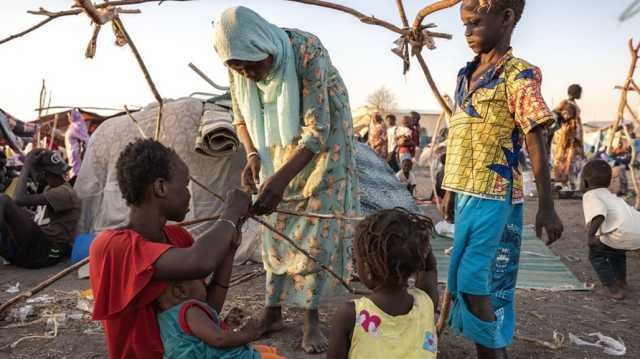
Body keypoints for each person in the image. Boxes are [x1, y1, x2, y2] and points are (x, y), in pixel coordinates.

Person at [213, 7, 360, 353]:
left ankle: (310, 319)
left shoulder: (307, 52)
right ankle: (272, 312)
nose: (247, 74)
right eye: (238, 67)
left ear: (265, 46)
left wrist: (278, 181)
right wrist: (251, 156)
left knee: (312, 229)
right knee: (276, 225)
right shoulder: (237, 66)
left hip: (323, 148)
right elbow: (240, 117)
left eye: (253, 64)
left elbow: (317, 130)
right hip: (275, 148)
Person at [441, 1, 564, 358]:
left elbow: (535, 140)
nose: (467, 33)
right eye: (464, 25)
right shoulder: (467, 75)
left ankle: (493, 352)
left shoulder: (519, 75)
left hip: (494, 194)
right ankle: (491, 348)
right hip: (465, 192)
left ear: (506, 18)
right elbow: (461, 134)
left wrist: (547, 207)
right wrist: (450, 188)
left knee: (474, 280)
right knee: (464, 279)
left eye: (475, 24)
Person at [89, 139, 252, 358]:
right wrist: (231, 213)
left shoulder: (178, 237)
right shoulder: (112, 246)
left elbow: (206, 308)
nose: (189, 194)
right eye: (185, 185)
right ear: (160, 187)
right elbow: (201, 262)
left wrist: (230, 250)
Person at [326, 209, 439, 359]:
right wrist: (417, 242)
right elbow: (430, 269)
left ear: (366, 267)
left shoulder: (350, 315)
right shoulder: (427, 302)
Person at [157, 278, 285, 359]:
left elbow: (203, 338)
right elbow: (218, 339)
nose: (205, 284)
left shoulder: (164, 319)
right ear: (181, 290)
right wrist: (248, 334)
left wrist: (227, 325)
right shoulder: (190, 309)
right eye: (201, 281)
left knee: (266, 350)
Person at [0, 149, 80, 269]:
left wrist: (26, 166)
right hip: (39, 248)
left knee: (3, 200)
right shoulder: (50, 188)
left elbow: (18, 200)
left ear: (42, 173)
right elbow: (38, 217)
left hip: (49, 250)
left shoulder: (63, 192)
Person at [581, 159, 640, 300]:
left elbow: (598, 215)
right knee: (616, 252)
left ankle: (613, 289)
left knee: (595, 255)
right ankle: (621, 281)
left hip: (619, 233)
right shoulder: (611, 195)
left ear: (585, 182)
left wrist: (590, 237)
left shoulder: (590, 195)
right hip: (636, 229)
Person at [551, 84, 585, 187]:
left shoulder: (571, 103)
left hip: (571, 137)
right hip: (567, 137)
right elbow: (561, 117)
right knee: (565, 159)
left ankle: (568, 182)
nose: (581, 94)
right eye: (579, 92)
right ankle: (563, 183)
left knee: (570, 160)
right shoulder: (568, 105)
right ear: (575, 93)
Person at [64, 109, 90, 185]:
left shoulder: (76, 126)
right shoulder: (76, 125)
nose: (68, 117)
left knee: (76, 173)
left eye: (69, 115)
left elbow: (86, 140)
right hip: (72, 153)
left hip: (76, 154)